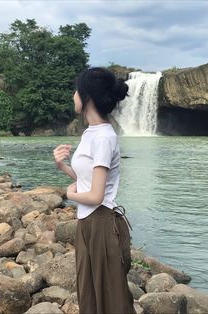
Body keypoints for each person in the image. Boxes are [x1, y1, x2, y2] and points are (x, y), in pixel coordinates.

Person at [53, 67, 136, 314]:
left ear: (87, 96)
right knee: (89, 293)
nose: (73, 95)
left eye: (76, 90)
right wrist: (63, 166)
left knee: (111, 299)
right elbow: (87, 180)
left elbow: (96, 196)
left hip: (101, 223)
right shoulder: (91, 133)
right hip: (88, 222)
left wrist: (68, 195)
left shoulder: (103, 138)